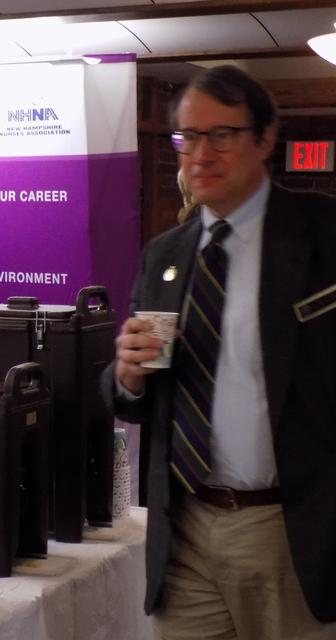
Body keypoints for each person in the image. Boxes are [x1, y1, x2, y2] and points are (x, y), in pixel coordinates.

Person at [102, 65, 336, 639]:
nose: (200, 154)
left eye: (221, 135)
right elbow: (133, 397)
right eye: (188, 137)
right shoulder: (164, 254)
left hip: (290, 527)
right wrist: (127, 375)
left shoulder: (325, 234)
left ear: (265, 139)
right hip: (184, 527)